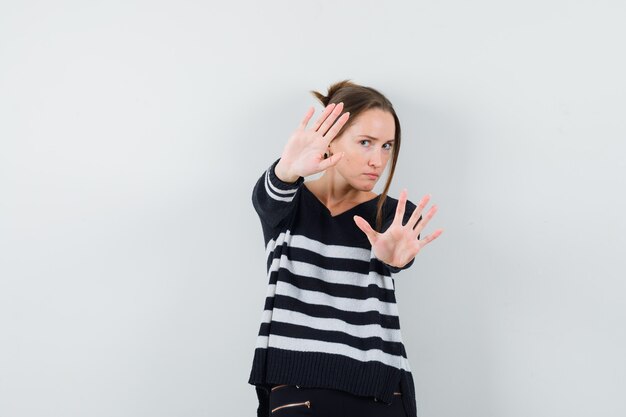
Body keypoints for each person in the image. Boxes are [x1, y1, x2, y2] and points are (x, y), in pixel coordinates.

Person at [248, 80, 443, 417]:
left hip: (378, 391)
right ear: (331, 138)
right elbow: (270, 196)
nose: (378, 160)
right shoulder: (288, 202)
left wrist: (396, 260)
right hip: (297, 387)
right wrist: (287, 169)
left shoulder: (394, 216)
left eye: (387, 146)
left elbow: (399, 256)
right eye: (366, 142)